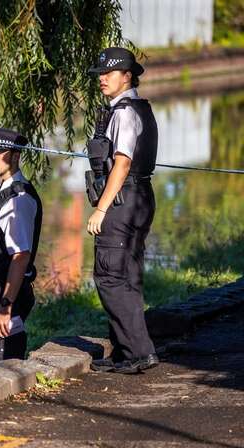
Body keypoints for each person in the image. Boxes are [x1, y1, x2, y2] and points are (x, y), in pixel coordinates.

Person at [85, 47, 159, 374]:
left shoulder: (125, 112)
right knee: (127, 275)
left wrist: (101, 209)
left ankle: (139, 352)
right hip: (138, 197)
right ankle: (124, 352)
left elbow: (123, 162)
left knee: (110, 276)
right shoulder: (139, 107)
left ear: (127, 76)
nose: (102, 78)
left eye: (109, 73)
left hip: (122, 201)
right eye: (99, 74)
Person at [0, 128, 42, 369]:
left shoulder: (18, 199)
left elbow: (21, 257)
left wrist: (5, 307)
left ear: (14, 155)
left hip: (4, 292)